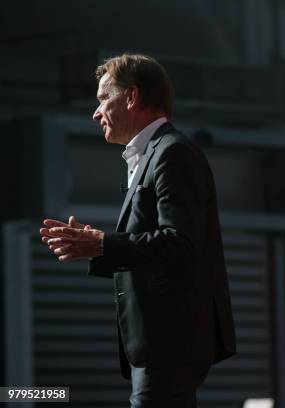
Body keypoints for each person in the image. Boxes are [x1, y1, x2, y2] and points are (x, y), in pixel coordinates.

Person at [39, 53, 236, 408]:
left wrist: (102, 244)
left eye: (103, 99)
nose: (95, 113)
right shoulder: (150, 156)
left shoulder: (172, 154)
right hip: (160, 344)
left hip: (170, 342)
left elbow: (180, 242)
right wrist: (97, 246)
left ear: (131, 97)